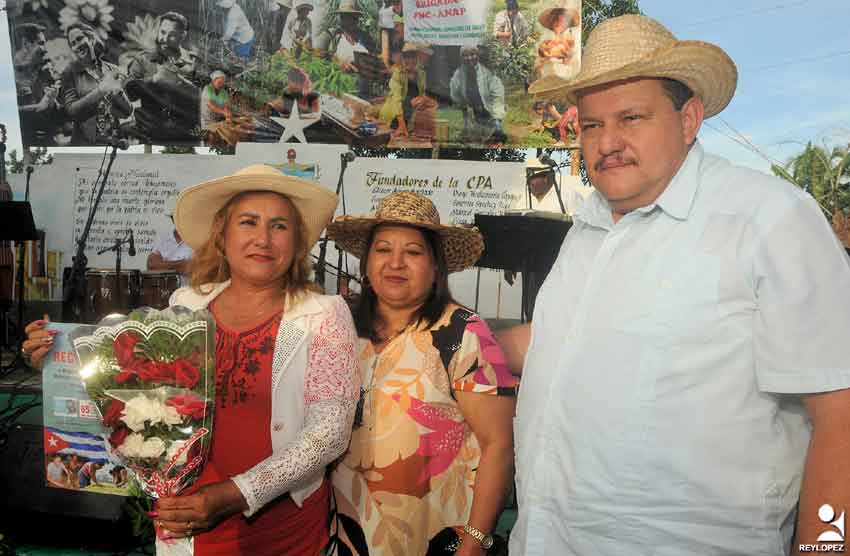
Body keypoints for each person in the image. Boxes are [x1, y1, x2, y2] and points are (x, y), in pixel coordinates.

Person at [499, 14, 850, 554]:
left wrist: (826, 547)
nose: (607, 142)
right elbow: (566, 344)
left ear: (689, 119)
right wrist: (464, 342)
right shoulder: (587, 230)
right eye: (591, 125)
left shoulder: (768, 220)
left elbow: (840, 412)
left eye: (631, 117)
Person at [24, 164, 360, 556]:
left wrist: (237, 493)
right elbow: (130, 394)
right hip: (184, 521)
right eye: (248, 222)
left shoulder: (324, 314)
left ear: (297, 241)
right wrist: (56, 360)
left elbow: (329, 433)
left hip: (282, 531)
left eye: (279, 226)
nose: (263, 239)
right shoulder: (185, 305)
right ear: (222, 234)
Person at [326, 191, 518, 556]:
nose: (395, 262)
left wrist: (474, 543)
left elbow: (500, 445)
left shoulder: (464, 332)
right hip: (347, 535)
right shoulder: (340, 327)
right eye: (382, 250)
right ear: (366, 264)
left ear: (435, 267)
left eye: (413, 252)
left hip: (437, 538)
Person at [125, 11, 200, 143]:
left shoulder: (194, 62)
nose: (164, 39)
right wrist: (153, 80)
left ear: (183, 35)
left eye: (171, 35)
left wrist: (179, 82)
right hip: (150, 136)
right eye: (163, 32)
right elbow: (128, 92)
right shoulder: (142, 59)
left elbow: (207, 98)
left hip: (186, 137)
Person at [59, 22, 132, 144]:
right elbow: (71, 111)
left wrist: (118, 93)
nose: (77, 46)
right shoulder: (69, 72)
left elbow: (127, 112)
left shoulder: (112, 70)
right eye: (73, 43)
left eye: (80, 39)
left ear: (91, 38)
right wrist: (100, 91)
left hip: (112, 142)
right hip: (85, 144)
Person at [14, 23, 61, 145]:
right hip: (21, 144)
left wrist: (53, 102)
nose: (45, 49)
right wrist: (39, 106)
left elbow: (52, 112)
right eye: (41, 43)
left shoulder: (41, 73)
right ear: (25, 44)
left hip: (47, 143)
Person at [449, 46, 506, 145]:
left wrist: (496, 117)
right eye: (465, 55)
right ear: (461, 58)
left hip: (490, 113)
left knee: (495, 137)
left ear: (478, 55)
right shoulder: (458, 74)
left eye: (472, 54)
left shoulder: (488, 74)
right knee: (469, 139)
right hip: (472, 114)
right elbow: (455, 93)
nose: (469, 58)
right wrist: (464, 106)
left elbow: (497, 96)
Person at [379, 43, 436, 138]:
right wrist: (401, 125)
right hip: (393, 116)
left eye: (412, 56)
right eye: (407, 57)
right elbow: (396, 100)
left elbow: (422, 95)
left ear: (417, 58)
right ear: (402, 59)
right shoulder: (397, 74)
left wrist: (425, 100)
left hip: (409, 117)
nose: (410, 60)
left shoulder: (421, 74)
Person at [148, 202, 194, 286]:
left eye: (182, 218)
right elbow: (152, 265)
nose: (179, 221)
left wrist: (164, 264)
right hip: (165, 293)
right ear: (172, 219)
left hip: (189, 294)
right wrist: (181, 263)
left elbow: (194, 269)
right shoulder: (162, 239)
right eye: (175, 218)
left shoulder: (197, 240)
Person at [536, 4, 580, 79]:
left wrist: (567, 59)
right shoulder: (547, 40)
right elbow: (541, 56)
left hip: (566, 74)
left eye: (562, 20)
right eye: (555, 20)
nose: (558, 22)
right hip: (548, 74)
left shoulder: (572, 38)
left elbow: (574, 59)